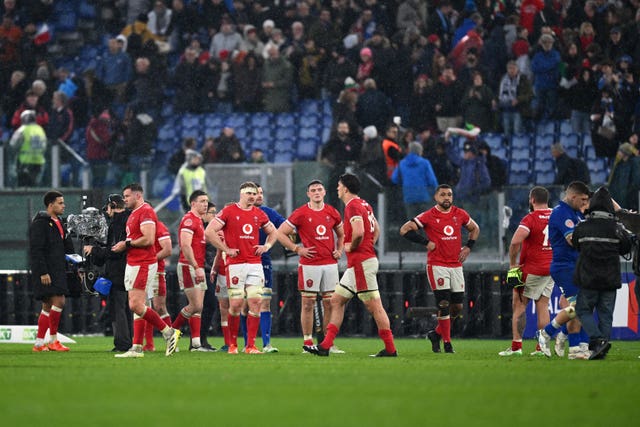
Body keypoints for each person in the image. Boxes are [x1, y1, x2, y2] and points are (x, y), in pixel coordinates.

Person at [304, 173, 398, 357]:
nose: (337, 189)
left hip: (361, 264)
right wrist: (367, 247)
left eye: (339, 186)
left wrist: (352, 247)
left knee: (375, 307)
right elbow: (376, 229)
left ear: (345, 188)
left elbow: (359, 232)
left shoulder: (352, 206)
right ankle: (325, 346)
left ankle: (390, 348)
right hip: (359, 264)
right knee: (336, 301)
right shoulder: (365, 204)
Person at [400, 184, 480, 353]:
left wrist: (468, 247)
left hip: (456, 265)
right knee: (443, 303)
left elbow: (475, 229)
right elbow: (405, 230)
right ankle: (447, 343)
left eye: (449, 195)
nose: (447, 198)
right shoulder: (429, 215)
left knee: (457, 307)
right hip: (437, 265)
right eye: (443, 194)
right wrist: (425, 242)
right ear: (436, 197)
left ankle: (435, 334)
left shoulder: (460, 214)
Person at [205, 182, 278, 354]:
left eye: (254, 193)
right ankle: (232, 344)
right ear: (241, 194)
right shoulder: (229, 211)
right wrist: (226, 250)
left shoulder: (259, 214)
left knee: (255, 301)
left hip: (255, 264)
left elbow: (274, 232)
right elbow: (209, 231)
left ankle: (251, 346)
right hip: (236, 264)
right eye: (249, 193)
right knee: (236, 304)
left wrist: (266, 246)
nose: (253, 196)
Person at [112, 183, 181, 358]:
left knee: (135, 305)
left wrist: (126, 244)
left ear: (138, 195)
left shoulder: (146, 211)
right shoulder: (133, 214)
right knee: (138, 305)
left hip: (143, 262)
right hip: (133, 261)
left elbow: (149, 239)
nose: (124, 199)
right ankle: (137, 347)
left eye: (127, 196)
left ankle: (168, 332)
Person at [276, 180, 345, 352]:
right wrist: (297, 249)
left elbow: (342, 235)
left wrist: (339, 250)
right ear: (308, 194)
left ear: (324, 192)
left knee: (330, 303)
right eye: (313, 190)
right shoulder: (300, 213)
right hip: (309, 265)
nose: (316, 192)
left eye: (319, 189)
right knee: (308, 303)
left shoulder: (332, 212)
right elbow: (280, 233)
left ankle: (327, 343)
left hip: (330, 264)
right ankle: (307, 342)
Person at [573, 186, 632, 360]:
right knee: (606, 315)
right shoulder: (617, 228)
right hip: (610, 279)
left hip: (588, 278)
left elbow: (576, 244)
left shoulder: (583, 227)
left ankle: (597, 340)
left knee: (583, 310)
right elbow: (626, 248)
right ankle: (602, 346)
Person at [537, 181, 592, 360]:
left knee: (584, 307)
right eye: (583, 200)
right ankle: (547, 333)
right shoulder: (561, 213)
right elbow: (572, 240)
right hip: (564, 266)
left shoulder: (576, 213)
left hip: (577, 265)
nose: (585, 203)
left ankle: (579, 348)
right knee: (578, 306)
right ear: (572, 196)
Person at [499, 186, 553, 357]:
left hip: (531, 269)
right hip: (550, 268)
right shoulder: (556, 215)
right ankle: (542, 348)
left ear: (532, 200)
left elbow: (515, 242)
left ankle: (516, 347)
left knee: (519, 304)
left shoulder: (530, 218)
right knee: (543, 306)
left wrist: (513, 264)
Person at [83, 194, 132, 352]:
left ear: (113, 205)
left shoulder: (117, 223)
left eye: (107, 208)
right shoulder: (129, 220)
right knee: (125, 308)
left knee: (117, 308)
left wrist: (94, 250)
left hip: (118, 271)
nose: (107, 212)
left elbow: (115, 250)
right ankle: (129, 341)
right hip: (128, 270)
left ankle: (123, 344)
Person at [31, 191, 76, 352]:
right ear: (51, 205)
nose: (64, 205)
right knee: (59, 301)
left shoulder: (60, 223)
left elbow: (67, 247)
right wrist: (43, 272)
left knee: (47, 305)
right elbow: (36, 250)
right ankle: (53, 341)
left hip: (59, 269)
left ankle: (38, 343)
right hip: (48, 270)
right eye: (60, 203)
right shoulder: (40, 224)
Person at [171, 190, 212, 352]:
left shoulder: (199, 221)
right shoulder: (189, 220)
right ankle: (171, 332)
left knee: (199, 307)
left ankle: (195, 344)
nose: (205, 204)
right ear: (193, 203)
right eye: (202, 201)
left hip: (198, 266)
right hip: (189, 266)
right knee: (195, 305)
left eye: (206, 201)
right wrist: (196, 267)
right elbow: (185, 245)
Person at [252, 184, 286, 353]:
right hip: (242, 261)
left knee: (265, 302)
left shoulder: (269, 213)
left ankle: (266, 344)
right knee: (244, 304)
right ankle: (245, 344)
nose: (259, 195)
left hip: (263, 260)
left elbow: (287, 226)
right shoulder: (236, 212)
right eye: (255, 193)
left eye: (261, 193)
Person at [141, 217, 173, 352]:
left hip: (156, 271)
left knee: (159, 307)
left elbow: (167, 250)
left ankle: (172, 340)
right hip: (143, 270)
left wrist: (151, 260)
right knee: (145, 307)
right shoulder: (139, 227)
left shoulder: (159, 226)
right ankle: (149, 344)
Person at [391, 141, 438, 219]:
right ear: (420, 151)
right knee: (424, 222)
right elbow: (432, 180)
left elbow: (394, 178)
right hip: (423, 197)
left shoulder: (402, 163)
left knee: (412, 223)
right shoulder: (425, 163)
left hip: (408, 197)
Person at [9, 109, 47, 187]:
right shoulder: (40, 130)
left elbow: (13, 145)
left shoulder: (22, 130)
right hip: (38, 162)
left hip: (24, 162)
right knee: (34, 187)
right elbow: (44, 146)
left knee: (22, 187)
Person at [200, 202, 218, 351]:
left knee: (208, 306)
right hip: (202, 271)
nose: (215, 215)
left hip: (210, 271)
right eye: (212, 212)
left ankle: (200, 340)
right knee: (205, 305)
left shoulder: (213, 229)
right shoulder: (200, 229)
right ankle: (199, 339)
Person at [608, 142, 640, 210]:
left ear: (625, 153)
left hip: (629, 199)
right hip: (619, 197)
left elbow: (635, 182)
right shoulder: (618, 164)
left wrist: (628, 193)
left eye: (620, 151)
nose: (618, 153)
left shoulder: (633, 164)